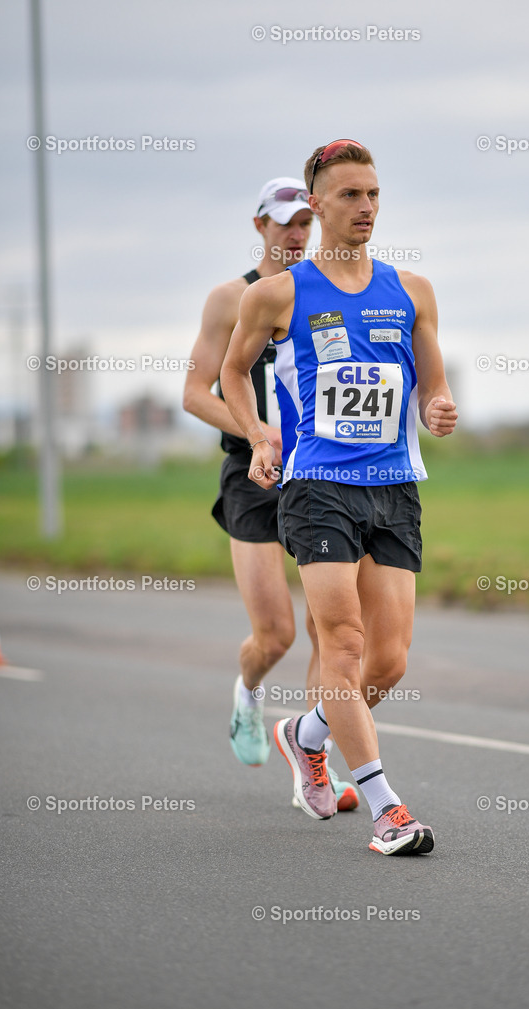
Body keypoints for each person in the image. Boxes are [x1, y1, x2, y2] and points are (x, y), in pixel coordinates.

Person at [221, 140, 457, 854]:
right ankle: (388, 812)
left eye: (373, 194)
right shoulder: (276, 295)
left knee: (388, 663)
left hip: (394, 488)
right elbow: (232, 374)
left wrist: (438, 408)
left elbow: (433, 386)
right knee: (344, 646)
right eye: (350, 195)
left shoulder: (412, 290)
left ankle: (305, 734)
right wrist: (258, 434)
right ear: (317, 204)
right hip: (317, 489)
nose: (366, 207)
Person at [183, 176, 359, 811]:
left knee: (327, 631)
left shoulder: (324, 294)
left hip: (317, 475)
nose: (297, 232)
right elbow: (195, 393)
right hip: (252, 475)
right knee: (278, 634)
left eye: (305, 222)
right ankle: (249, 692)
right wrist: (259, 433)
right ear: (259, 225)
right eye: (285, 222)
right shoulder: (231, 298)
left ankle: (315, 768)